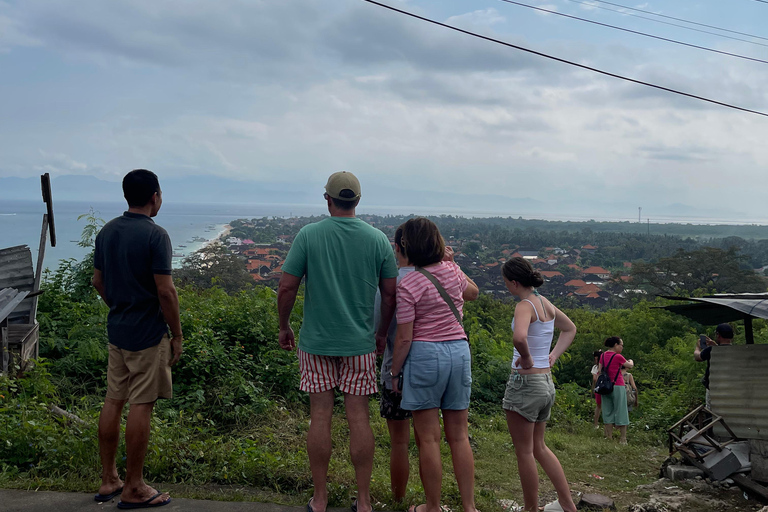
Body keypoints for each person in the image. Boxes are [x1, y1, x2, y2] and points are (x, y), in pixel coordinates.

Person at [277, 171, 398, 512]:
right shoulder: (377, 240)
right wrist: (379, 333)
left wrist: (284, 326)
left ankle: (320, 498)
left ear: (327, 199)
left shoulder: (309, 235)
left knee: (320, 416)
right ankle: (363, 501)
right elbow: (389, 295)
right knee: (359, 418)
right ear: (357, 201)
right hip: (360, 344)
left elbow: (287, 287)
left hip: (315, 343)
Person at [91, 169, 182, 509]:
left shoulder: (107, 232)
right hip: (148, 334)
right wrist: (177, 334)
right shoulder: (155, 236)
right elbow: (166, 291)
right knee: (141, 404)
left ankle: (108, 479)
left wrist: (120, 306)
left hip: (118, 331)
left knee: (113, 399)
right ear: (155, 196)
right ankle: (134, 486)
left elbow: (98, 282)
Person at [389, 217, 479, 512]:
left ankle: (433, 506)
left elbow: (404, 338)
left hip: (426, 355)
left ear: (405, 246)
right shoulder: (453, 270)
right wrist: (452, 262)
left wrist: (394, 372)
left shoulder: (408, 282)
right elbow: (473, 293)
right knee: (459, 435)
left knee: (428, 439)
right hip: (459, 351)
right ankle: (469, 506)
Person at [501, 257, 578, 512]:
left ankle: (530, 509)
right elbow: (570, 329)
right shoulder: (546, 304)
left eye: (505, 283)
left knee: (524, 452)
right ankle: (567, 505)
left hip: (525, 382)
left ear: (514, 283)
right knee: (540, 447)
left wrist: (526, 357)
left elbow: (519, 337)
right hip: (545, 382)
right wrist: (553, 355)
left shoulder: (524, 305)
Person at [374, 226, 415, 502]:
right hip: (429, 369)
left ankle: (398, 499)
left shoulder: (391, 285)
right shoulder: (434, 278)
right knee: (428, 440)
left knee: (399, 442)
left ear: (396, 248)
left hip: (394, 370)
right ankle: (432, 501)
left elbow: (380, 327)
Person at [598, 337, 633, 445]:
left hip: (605, 387)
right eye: (621, 345)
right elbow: (629, 366)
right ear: (616, 345)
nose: (622, 347)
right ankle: (623, 439)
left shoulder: (602, 356)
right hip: (618, 385)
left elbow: (600, 370)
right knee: (621, 410)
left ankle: (609, 437)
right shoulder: (618, 356)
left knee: (607, 411)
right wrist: (631, 361)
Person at [694, 323, 734, 410]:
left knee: (711, 410)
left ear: (718, 335)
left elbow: (698, 357)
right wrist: (715, 345)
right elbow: (723, 350)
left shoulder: (710, 350)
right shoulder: (735, 350)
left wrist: (697, 348)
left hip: (713, 387)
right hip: (731, 387)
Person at [591, 350, 602, 429]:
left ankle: (596, 424)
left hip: (598, 388)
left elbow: (594, 379)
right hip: (606, 388)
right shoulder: (605, 366)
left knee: (598, 406)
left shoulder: (595, 367)